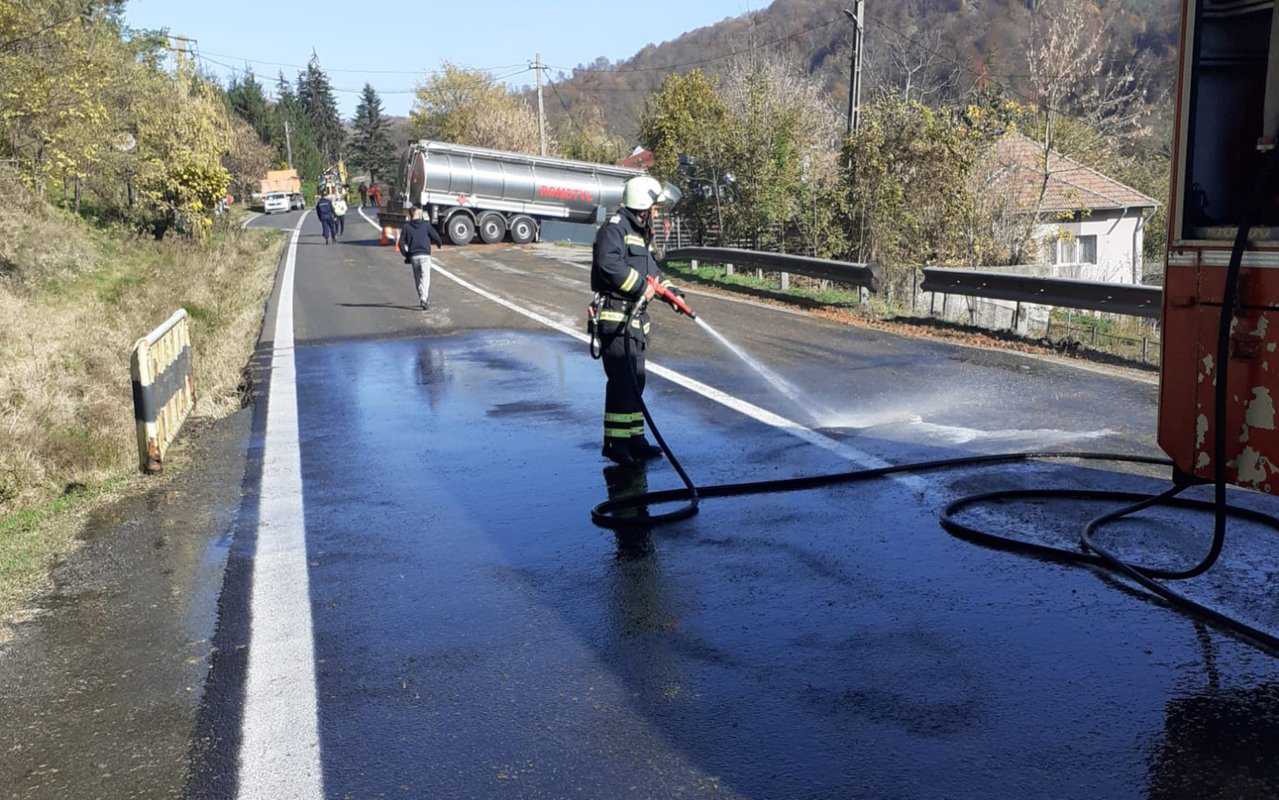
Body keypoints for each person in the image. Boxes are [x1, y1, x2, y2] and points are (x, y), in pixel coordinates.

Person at [591, 175, 681, 466]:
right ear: (642, 205)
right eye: (653, 208)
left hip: (636, 323)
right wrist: (643, 287)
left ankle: (635, 439)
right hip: (616, 318)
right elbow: (609, 266)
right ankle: (616, 444)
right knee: (621, 382)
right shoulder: (614, 230)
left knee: (637, 382)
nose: (655, 213)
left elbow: (654, 273)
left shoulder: (641, 235)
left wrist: (672, 294)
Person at [397, 205, 443, 310]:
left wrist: (406, 254)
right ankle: (424, 299)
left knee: (418, 279)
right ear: (417, 213)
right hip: (425, 255)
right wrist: (439, 243)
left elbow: (401, 243)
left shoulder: (406, 227)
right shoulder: (425, 225)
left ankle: (422, 298)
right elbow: (435, 236)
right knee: (425, 277)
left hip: (413, 256)